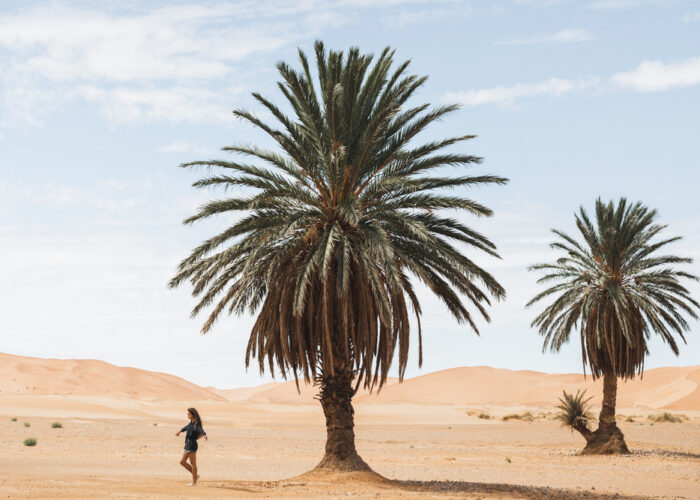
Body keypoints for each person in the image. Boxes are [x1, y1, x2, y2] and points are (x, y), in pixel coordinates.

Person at [175, 407, 207, 485]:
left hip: (192, 445)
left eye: (188, 414)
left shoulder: (197, 424)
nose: (187, 416)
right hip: (187, 444)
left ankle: (194, 482)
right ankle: (195, 475)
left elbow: (200, 429)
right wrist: (180, 431)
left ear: (193, 415)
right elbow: (187, 427)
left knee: (193, 464)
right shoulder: (191, 423)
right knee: (182, 462)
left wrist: (204, 435)